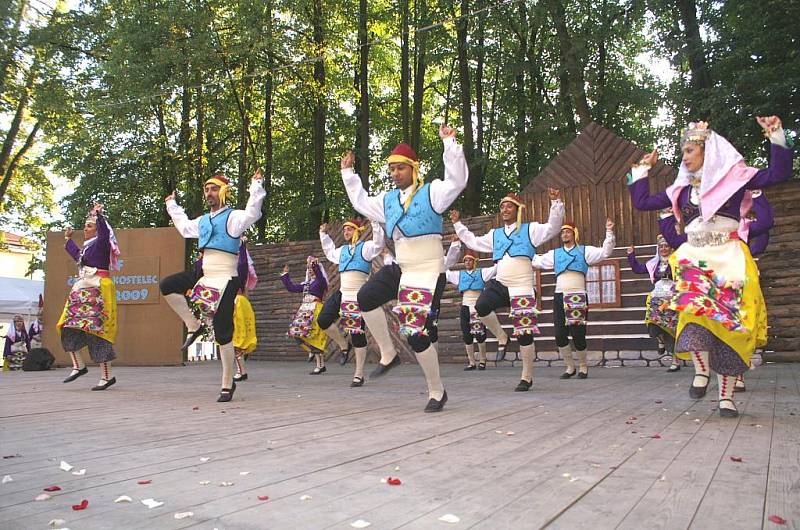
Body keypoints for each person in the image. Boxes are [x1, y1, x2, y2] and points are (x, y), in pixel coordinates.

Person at [627, 116, 792, 417]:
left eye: (689, 151)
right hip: (695, 256)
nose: (684, 158)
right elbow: (642, 202)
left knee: (729, 325)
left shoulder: (735, 179)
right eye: (683, 152)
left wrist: (775, 134)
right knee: (693, 313)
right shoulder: (681, 190)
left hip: (727, 257)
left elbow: (779, 173)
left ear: (708, 151)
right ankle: (701, 372)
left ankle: (726, 398)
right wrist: (642, 168)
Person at [340, 124, 468, 412]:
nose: (395, 173)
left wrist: (449, 143)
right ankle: (388, 353)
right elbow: (361, 202)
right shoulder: (387, 201)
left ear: (413, 168)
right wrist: (348, 174)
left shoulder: (432, 192)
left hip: (428, 270)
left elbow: (457, 181)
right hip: (402, 268)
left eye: (401, 168)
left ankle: (437, 391)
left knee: (416, 334)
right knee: (365, 298)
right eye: (392, 169)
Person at [160, 171, 265, 402]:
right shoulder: (203, 220)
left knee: (223, 330)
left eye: (214, 188)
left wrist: (256, 185)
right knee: (167, 285)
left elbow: (253, 212)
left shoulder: (233, 217)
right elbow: (185, 228)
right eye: (207, 189)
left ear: (224, 191)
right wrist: (172, 205)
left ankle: (227, 383)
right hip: (205, 273)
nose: (209, 193)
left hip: (227, 277)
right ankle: (192, 324)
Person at [452, 191, 564, 392]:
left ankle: (526, 377)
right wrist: (458, 225)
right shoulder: (495, 234)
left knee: (524, 334)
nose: (504, 209)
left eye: (509, 206)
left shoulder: (531, 229)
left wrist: (556, 203)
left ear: (518, 209)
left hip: (522, 287)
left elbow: (553, 227)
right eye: (502, 206)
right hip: (501, 283)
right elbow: (474, 241)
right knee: (481, 306)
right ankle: (502, 337)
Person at [531, 219, 615, 379]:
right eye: (562, 232)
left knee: (578, 333)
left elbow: (605, 252)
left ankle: (583, 366)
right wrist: (524, 251)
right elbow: (537, 261)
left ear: (574, 234)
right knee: (559, 334)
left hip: (577, 294)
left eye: (568, 231)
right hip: (559, 295)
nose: (564, 234)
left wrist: (609, 232)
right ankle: (570, 367)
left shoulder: (584, 251)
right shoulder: (555, 254)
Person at [58, 204, 122, 390]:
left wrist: (99, 216)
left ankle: (106, 377)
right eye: (85, 226)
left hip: (98, 288)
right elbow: (78, 256)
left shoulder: (102, 243)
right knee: (66, 324)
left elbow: (104, 233)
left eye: (89, 225)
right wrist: (68, 239)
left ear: (97, 229)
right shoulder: (87, 249)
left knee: (98, 331)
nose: (85, 229)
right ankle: (78, 365)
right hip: (82, 288)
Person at [318, 218, 387, 387]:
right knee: (323, 319)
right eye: (344, 230)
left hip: (357, 297)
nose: (345, 233)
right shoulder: (342, 251)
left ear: (357, 230)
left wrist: (375, 224)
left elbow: (379, 244)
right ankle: (343, 344)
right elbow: (329, 252)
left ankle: (359, 374)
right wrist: (323, 234)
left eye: (349, 229)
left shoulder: (366, 248)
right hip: (342, 293)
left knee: (357, 334)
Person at [444, 237, 497, 370]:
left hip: (477, 307)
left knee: (479, 333)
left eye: (469, 260)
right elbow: (445, 271)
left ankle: (483, 360)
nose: (467, 262)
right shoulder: (459, 275)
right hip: (465, 307)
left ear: (475, 262)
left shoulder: (482, 273)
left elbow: (495, 268)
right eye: (465, 260)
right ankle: (471, 362)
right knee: (467, 334)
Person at [627, 235, 679, 371]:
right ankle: (660, 341)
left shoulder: (677, 262)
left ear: (671, 248)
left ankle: (675, 362)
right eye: (661, 246)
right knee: (652, 323)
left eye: (666, 246)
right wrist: (631, 255)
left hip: (672, 299)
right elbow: (637, 269)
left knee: (672, 330)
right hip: (656, 297)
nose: (663, 249)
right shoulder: (653, 264)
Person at [282, 257, 330, 374]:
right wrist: (285, 275)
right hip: (304, 310)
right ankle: (311, 352)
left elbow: (319, 276)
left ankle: (320, 366)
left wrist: (314, 265)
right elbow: (292, 288)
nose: (309, 270)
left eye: (311, 268)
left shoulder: (321, 281)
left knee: (314, 335)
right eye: (308, 268)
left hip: (315, 309)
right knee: (296, 333)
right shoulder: (306, 284)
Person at [232, 237, 258, 382]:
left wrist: (242, 246)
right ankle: (240, 369)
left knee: (237, 338)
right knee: (232, 338)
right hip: (231, 303)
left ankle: (241, 371)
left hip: (238, 304)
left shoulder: (238, 270)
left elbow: (242, 264)